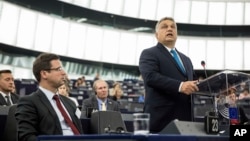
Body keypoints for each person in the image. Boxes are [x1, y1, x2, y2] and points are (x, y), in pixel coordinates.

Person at [139, 17, 199, 133]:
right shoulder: (149, 53)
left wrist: (216, 89)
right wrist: (180, 86)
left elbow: (195, 83)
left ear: (177, 33)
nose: (169, 28)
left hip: (186, 122)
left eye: (173, 27)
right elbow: (151, 77)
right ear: (156, 35)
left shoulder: (187, 60)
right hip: (161, 121)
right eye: (164, 26)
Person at [15, 53, 83, 141]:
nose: (64, 73)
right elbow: (26, 137)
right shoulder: (29, 103)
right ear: (44, 74)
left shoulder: (70, 103)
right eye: (59, 69)